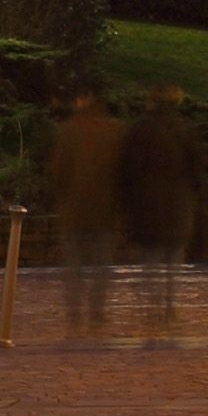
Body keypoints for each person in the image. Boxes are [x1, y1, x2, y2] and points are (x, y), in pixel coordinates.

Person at [121, 86, 201, 331]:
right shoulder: (185, 130)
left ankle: (153, 308)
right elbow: (197, 169)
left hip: (148, 207)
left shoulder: (141, 130)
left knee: (151, 261)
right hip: (177, 207)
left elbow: (128, 170)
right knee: (172, 261)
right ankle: (169, 306)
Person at [51, 86, 125, 337]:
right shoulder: (113, 131)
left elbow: (58, 173)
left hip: (75, 209)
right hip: (105, 209)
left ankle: (75, 316)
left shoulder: (68, 131)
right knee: (101, 266)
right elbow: (122, 171)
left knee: (74, 267)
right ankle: (97, 313)